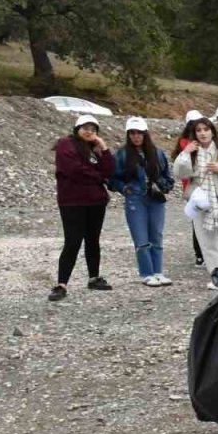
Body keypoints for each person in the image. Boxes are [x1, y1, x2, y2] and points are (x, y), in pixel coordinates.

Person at [50, 114, 115, 301]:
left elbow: (109, 169)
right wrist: (99, 176)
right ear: (77, 129)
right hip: (72, 201)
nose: (89, 132)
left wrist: (104, 147)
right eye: (86, 128)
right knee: (73, 241)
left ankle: (93, 277)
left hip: (96, 201)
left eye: (93, 129)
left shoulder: (93, 149)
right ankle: (61, 284)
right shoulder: (65, 144)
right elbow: (74, 170)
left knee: (93, 240)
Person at [173, 117, 218, 289]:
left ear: (212, 131)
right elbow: (180, 174)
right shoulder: (192, 152)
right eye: (199, 130)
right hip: (200, 201)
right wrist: (185, 153)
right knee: (207, 242)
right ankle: (216, 276)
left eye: (206, 129)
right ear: (194, 134)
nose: (203, 133)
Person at [109, 117, 174, 287]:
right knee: (141, 238)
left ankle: (158, 271)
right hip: (135, 198)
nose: (136, 136)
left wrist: (165, 186)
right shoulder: (122, 154)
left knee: (157, 236)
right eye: (132, 133)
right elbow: (113, 178)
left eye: (139, 133)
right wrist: (125, 189)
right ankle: (146, 273)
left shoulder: (158, 153)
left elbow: (167, 174)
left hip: (156, 198)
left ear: (146, 134)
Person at [177, 110, 206, 266]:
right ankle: (200, 254)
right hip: (192, 187)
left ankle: (206, 252)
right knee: (197, 220)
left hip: (204, 185)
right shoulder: (185, 143)